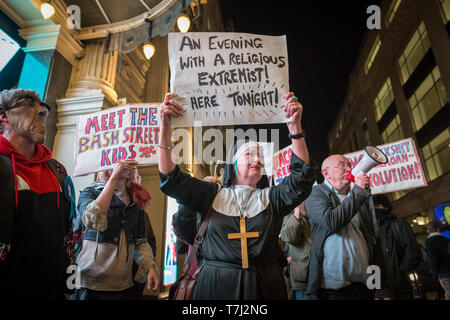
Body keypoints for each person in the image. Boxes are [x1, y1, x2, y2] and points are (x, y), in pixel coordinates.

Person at [158, 91, 318, 299]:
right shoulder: (210, 194)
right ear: (233, 164)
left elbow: (302, 179)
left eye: (260, 155)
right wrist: (165, 126)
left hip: (264, 288)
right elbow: (171, 179)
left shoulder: (272, 198)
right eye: (249, 154)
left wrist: (294, 127)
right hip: (214, 288)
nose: (257, 159)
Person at [0, 88, 75, 299]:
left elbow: (69, 233)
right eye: (29, 104)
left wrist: (71, 285)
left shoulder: (58, 171)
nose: (42, 110)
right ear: (4, 116)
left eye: (43, 106)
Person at [305, 154, 391, 300]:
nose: (349, 169)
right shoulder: (315, 193)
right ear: (326, 173)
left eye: (349, 165)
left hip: (364, 286)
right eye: (342, 165)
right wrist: (358, 191)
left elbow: (372, 241)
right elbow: (332, 222)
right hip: (335, 290)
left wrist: (379, 287)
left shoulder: (359, 197)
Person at [76, 161, 159, 300]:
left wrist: (150, 267)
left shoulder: (135, 201)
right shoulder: (90, 192)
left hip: (122, 286)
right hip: (90, 284)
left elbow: (140, 242)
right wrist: (113, 177)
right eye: (116, 161)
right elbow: (91, 220)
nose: (123, 163)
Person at [372, 194, 422, 299]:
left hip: (399, 288)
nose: (376, 210)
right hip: (376, 287)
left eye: (378, 206)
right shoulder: (368, 229)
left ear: (386, 207)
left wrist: (401, 273)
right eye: (373, 207)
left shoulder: (399, 225)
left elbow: (413, 253)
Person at [280, 202, 315, 300]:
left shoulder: (316, 213)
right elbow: (289, 237)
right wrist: (297, 213)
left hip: (323, 273)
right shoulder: (290, 217)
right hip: (304, 276)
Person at [425, 221, 450, 300]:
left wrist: (434, 271)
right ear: (438, 229)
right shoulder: (446, 239)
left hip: (442, 272)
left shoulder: (429, 241)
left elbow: (434, 258)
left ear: (428, 231)